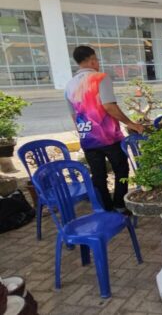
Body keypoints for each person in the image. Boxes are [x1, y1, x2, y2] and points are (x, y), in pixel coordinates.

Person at [65, 46, 143, 212]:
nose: (98, 63)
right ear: (92, 59)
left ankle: (106, 209)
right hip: (108, 136)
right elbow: (109, 106)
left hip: (87, 138)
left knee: (98, 175)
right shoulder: (100, 78)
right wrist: (131, 124)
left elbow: (74, 116)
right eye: (97, 59)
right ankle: (120, 205)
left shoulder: (69, 85)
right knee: (121, 168)